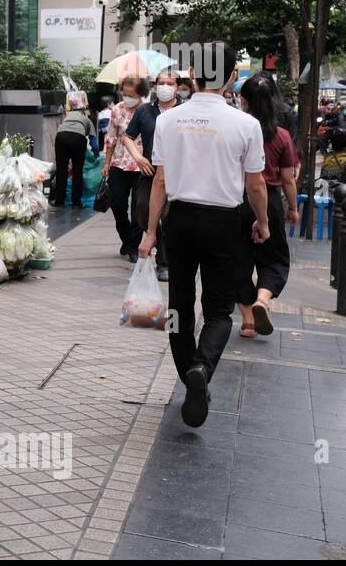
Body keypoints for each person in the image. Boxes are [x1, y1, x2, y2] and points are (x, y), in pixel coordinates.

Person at [139, 42, 268, 428]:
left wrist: (149, 233)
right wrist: (262, 222)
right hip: (223, 222)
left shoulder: (167, 120)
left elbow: (160, 181)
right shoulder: (246, 124)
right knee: (217, 309)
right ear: (232, 78)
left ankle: (188, 374)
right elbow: (256, 185)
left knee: (179, 304)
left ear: (192, 74)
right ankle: (201, 368)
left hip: (178, 221)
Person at [234, 74, 299, 338]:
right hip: (269, 202)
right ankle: (263, 298)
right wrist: (292, 208)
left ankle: (248, 321)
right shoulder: (282, 135)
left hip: (237, 201)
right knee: (274, 259)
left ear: (244, 101)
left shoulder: (236, 129)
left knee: (237, 260)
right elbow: (288, 179)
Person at [121, 70, 180, 280]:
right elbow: (127, 137)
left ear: (178, 87)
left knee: (167, 217)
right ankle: (158, 249)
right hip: (150, 173)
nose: (165, 86)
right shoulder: (144, 111)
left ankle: (165, 263)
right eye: (161, 82)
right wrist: (138, 156)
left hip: (178, 174)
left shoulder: (186, 110)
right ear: (155, 86)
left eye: (169, 83)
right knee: (144, 214)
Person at [104, 75, 149, 262]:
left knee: (139, 208)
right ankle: (127, 237)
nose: (127, 97)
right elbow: (111, 138)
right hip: (119, 163)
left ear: (141, 94)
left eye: (132, 94)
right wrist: (106, 163)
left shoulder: (148, 110)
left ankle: (132, 247)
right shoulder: (117, 110)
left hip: (142, 165)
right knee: (117, 204)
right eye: (125, 93)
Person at [51, 97, 96, 207]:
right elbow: (94, 143)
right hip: (78, 138)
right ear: (83, 111)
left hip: (61, 136)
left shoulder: (67, 117)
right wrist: (96, 156)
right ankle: (76, 202)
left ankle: (59, 201)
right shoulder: (87, 120)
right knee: (77, 171)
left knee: (62, 170)